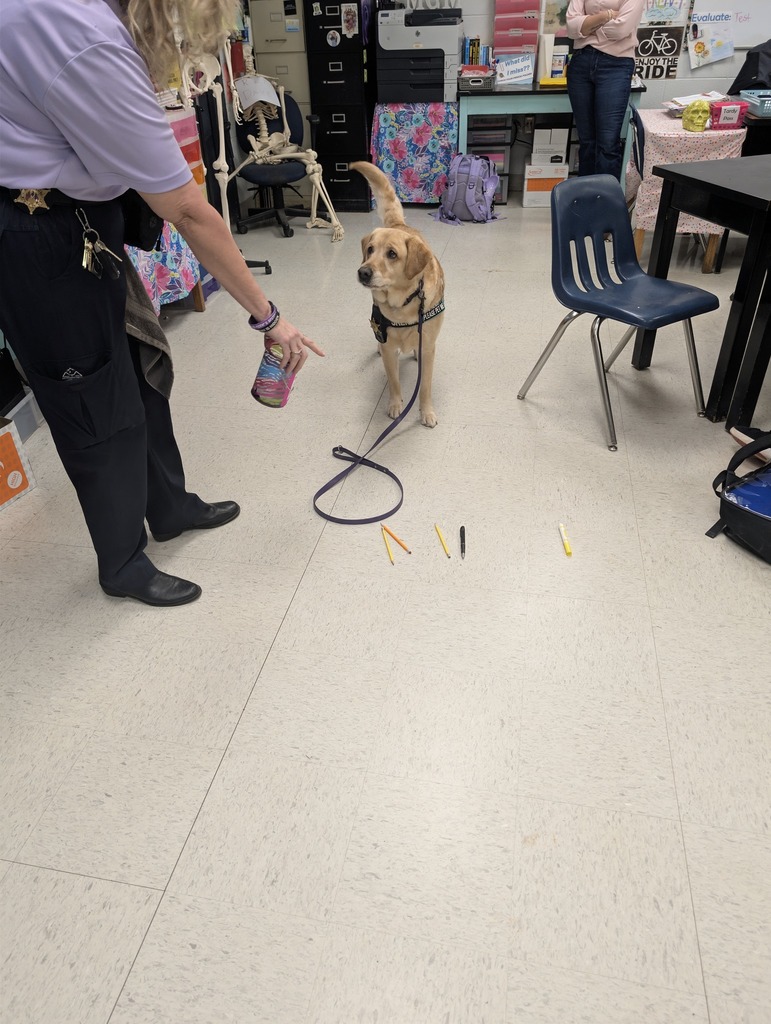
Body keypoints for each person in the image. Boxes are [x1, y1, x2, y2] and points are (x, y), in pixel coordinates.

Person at [0, 0, 324, 607]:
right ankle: (121, 561)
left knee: (138, 369)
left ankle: (168, 505)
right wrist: (269, 317)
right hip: (35, 232)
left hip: (79, 219)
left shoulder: (79, 21)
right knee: (92, 398)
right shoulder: (85, 37)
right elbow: (189, 210)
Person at [565, 0, 645, 181]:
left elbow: (621, 30)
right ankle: (585, 198)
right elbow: (571, 27)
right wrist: (606, 16)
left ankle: (604, 204)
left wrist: (587, 28)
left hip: (616, 64)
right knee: (586, 142)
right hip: (581, 63)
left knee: (608, 144)